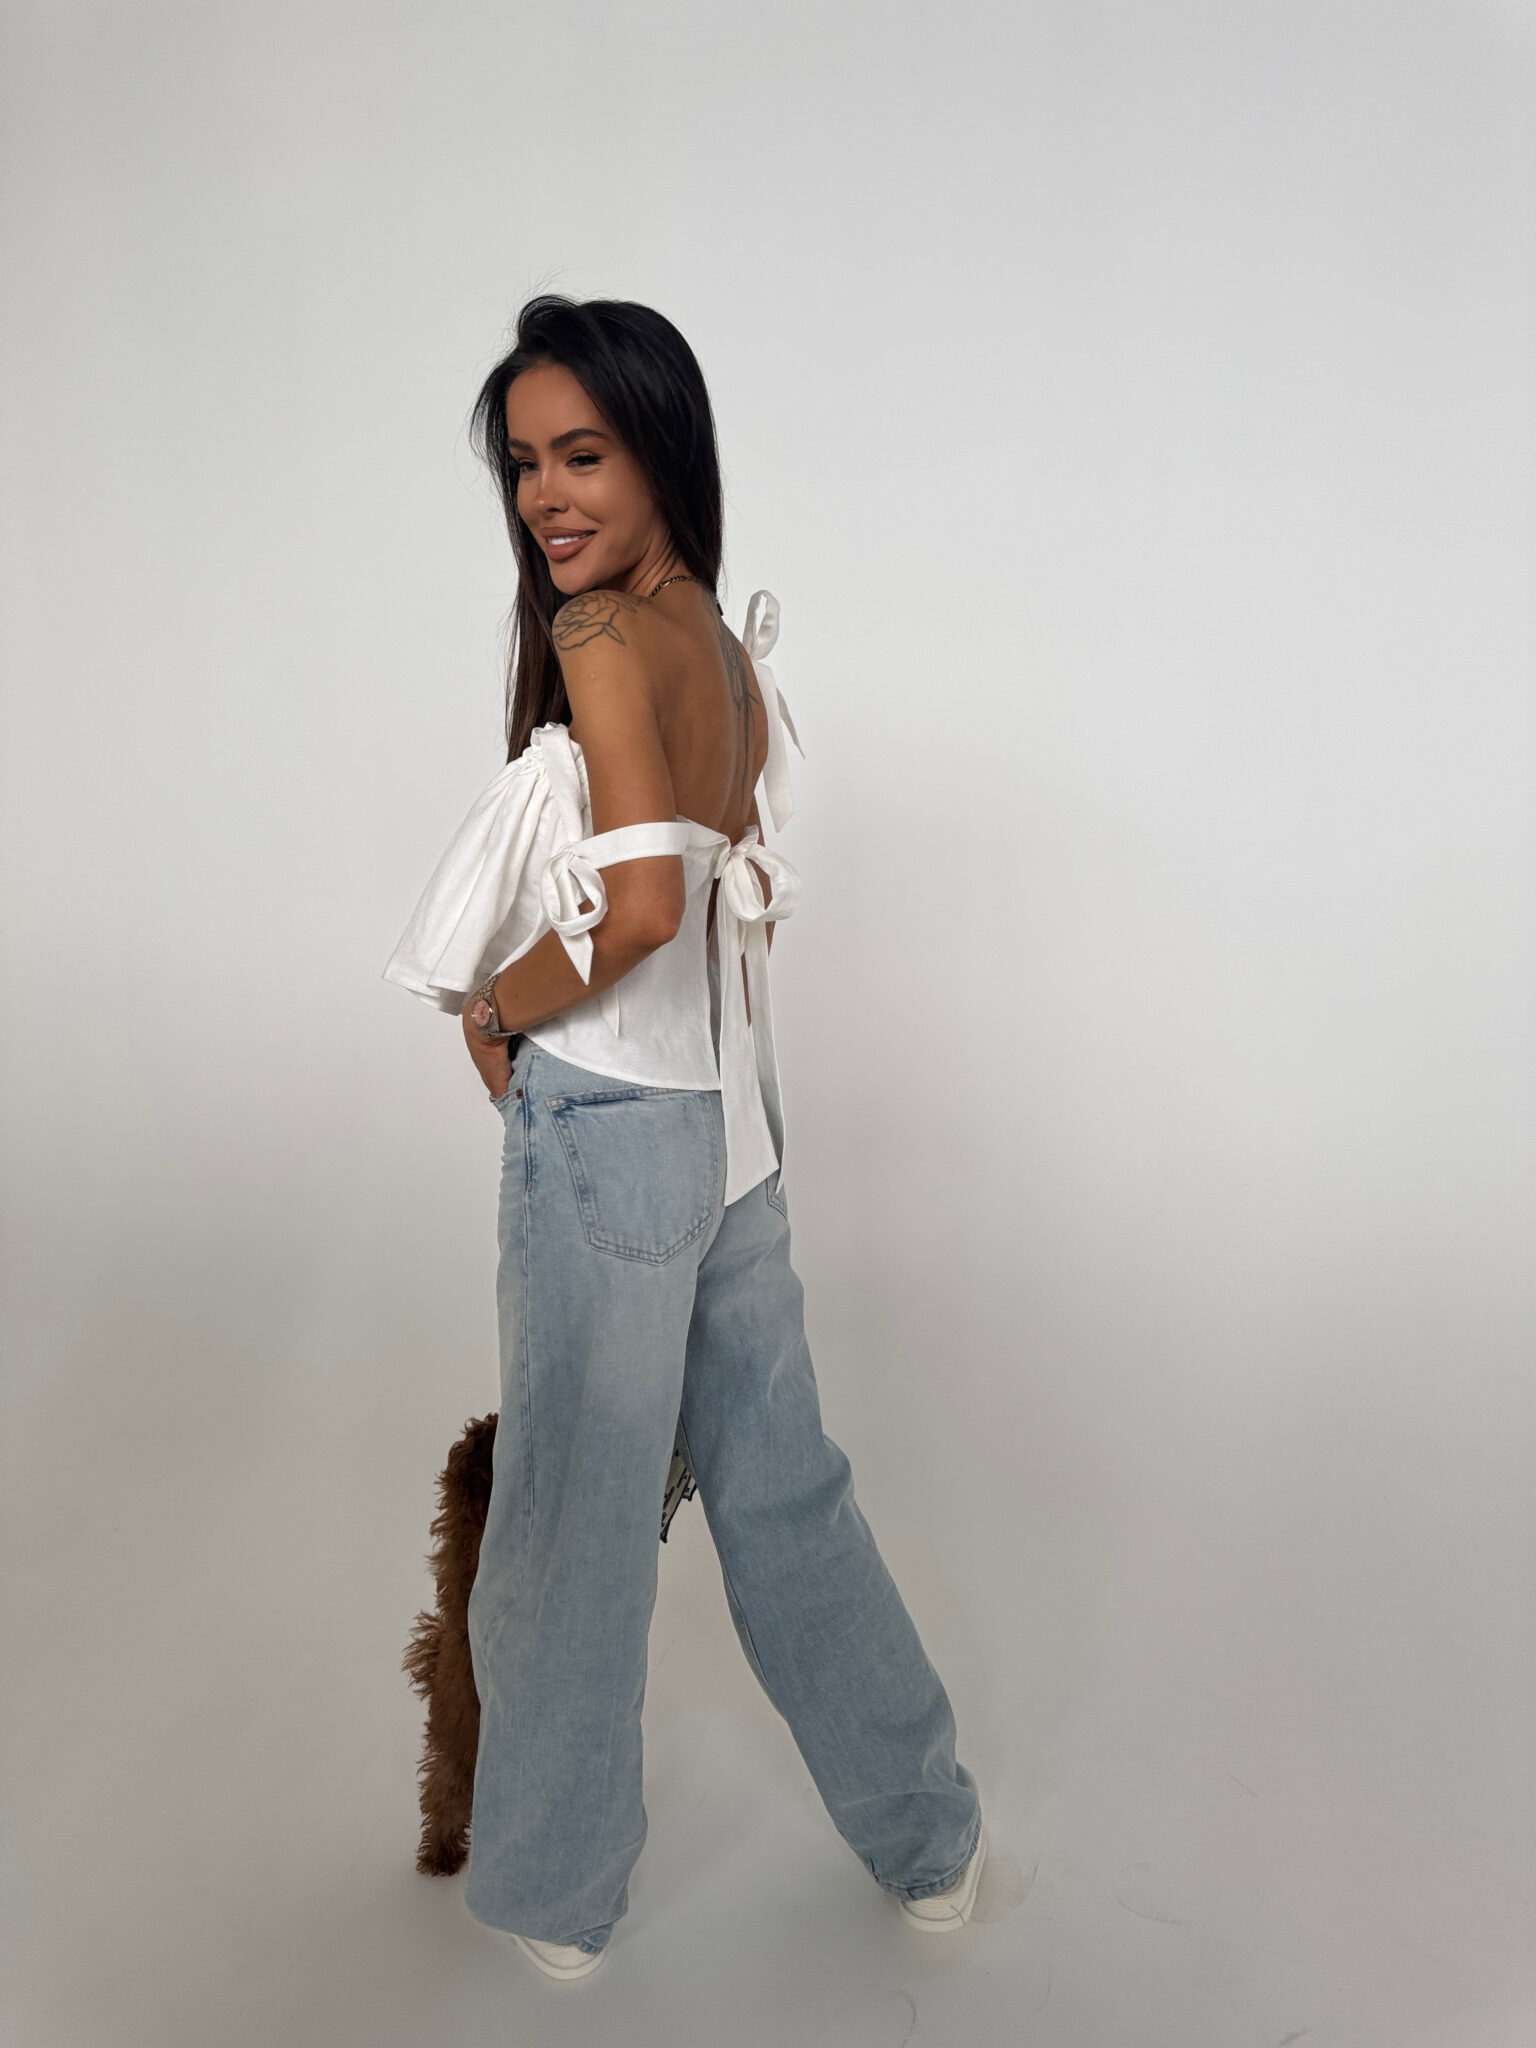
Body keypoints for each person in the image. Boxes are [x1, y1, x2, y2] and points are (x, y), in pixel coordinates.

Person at [383, 294, 985, 1983]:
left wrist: (497, 1007)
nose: (545, 496)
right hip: (735, 1131)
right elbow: (717, 901)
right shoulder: (718, 642)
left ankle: (552, 1894)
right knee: (788, 1494)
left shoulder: (596, 634)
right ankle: (932, 1839)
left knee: (572, 1524)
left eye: (581, 455)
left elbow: (643, 904)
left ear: (660, 452)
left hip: (612, 1128)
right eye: (524, 463)